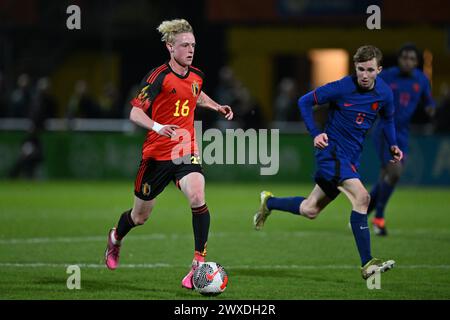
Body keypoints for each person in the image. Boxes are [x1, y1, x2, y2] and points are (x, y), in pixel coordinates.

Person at [253, 45, 403, 280]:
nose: (364, 75)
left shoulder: (384, 93)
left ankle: (269, 203)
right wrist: (315, 132)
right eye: (360, 69)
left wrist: (393, 144)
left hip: (351, 157)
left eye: (370, 70)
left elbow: (388, 118)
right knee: (362, 198)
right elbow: (304, 101)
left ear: (379, 70)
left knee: (310, 210)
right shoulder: (342, 87)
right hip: (331, 152)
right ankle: (367, 264)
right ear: (355, 67)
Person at [104, 19, 233, 290]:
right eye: (184, 45)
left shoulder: (197, 75)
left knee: (198, 195)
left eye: (193, 45)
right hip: (156, 154)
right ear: (170, 47)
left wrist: (216, 106)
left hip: (185, 149)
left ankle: (198, 264)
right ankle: (116, 237)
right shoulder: (157, 77)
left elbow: (195, 95)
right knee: (140, 217)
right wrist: (158, 126)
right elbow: (135, 112)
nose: (190, 49)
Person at [368, 43, 435, 236]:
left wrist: (431, 108)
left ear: (417, 62)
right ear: (399, 59)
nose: (408, 62)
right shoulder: (387, 75)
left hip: (403, 133)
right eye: (405, 58)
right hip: (384, 131)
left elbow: (428, 100)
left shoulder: (421, 79)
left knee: (385, 176)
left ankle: (362, 212)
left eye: (412, 59)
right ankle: (378, 218)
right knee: (394, 172)